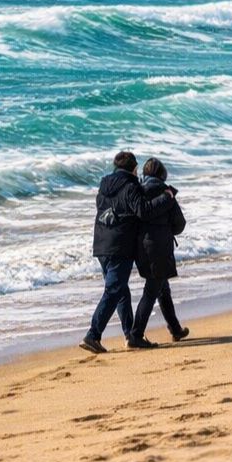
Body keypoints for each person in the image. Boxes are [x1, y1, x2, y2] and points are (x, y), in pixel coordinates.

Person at [81, 150, 173, 354]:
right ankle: (93, 334)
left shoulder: (104, 187)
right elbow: (144, 211)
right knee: (114, 291)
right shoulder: (130, 186)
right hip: (119, 246)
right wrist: (166, 197)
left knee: (121, 291)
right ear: (133, 169)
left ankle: (130, 335)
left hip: (101, 245)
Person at [129, 157, 190, 348]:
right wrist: (166, 229)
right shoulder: (167, 194)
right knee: (152, 290)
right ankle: (135, 334)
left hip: (141, 248)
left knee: (162, 288)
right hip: (160, 248)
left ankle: (175, 329)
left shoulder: (137, 192)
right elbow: (180, 224)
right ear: (162, 174)